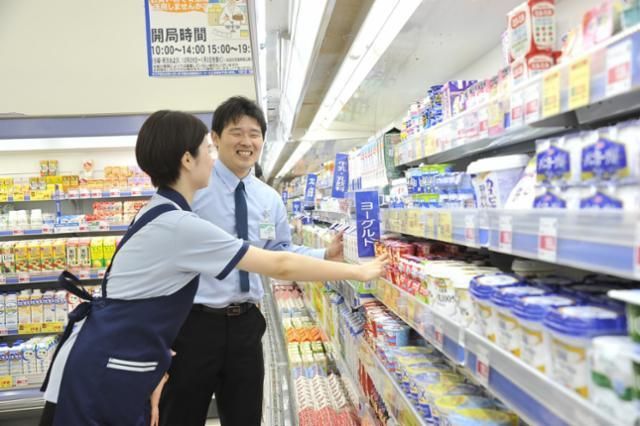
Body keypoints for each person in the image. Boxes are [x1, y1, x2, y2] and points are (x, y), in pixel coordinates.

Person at [38, 110, 387, 426]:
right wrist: (358, 272)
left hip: (119, 354)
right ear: (187, 159)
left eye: (254, 133)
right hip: (111, 367)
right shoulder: (180, 224)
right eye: (207, 148)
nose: (212, 156)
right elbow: (279, 264)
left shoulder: (162, 210)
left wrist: (157, 361)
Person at [158, 97, 344, 426]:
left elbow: (281, 251)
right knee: (180, 417)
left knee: (245, 418)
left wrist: (325, 255)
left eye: (254, 134)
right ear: (215, 138)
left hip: (246, 324)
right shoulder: (193, 190)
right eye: (237, 132)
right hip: (194, 325)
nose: (246, 141)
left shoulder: (268, 198)